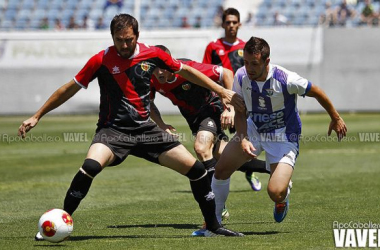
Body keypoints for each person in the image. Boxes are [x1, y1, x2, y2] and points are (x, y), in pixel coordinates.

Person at [18, 14, 245, 239]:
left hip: (146, 132)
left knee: (196, 170)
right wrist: (38, 115)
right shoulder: (101, 60)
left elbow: (186, 71)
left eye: (129, 40)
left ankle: (214, 226)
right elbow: (70, 88)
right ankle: (60, 222)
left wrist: (222, 91)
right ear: (112, 37)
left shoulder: (153, 54)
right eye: (119, 40)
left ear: (137, 36)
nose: (124, 45)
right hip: (112, 132)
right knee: (90, 167)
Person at [211, 37, 347, 224]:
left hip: (284, 135)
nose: (249, 68)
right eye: (246, 62)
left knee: (275, 192)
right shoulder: (241, 76)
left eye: (254, 63)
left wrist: (335, 117)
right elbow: (240, 111)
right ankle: (214, 220)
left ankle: (282, 198)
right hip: (254, 129)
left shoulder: (286, 79)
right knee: (221, 170)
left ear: (267, 61)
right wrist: (242, 138)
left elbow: (316, 91)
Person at [149, 45, 270, 236]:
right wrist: (162, 124)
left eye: (163, 66)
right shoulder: (152, 78)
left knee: (201, 147)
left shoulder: (186, 68)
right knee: (224, 157)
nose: (160, 72)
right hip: (194, 120)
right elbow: (148, 102)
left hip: (211, 109)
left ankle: (215, 209)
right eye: (156, 67)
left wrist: (229, 107)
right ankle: (272, 167)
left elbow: (226, 73)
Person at [203, 7, 265, 191]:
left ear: (239, 24)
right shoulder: (213, 47)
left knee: (243, 139)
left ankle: (249, 169)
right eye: (227, 22)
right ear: (222, 24)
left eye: (234, 22)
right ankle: (219, 180)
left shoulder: (246, 48)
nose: (231, 25)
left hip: (243, 103)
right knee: (218, 146)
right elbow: (205, 73)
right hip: (219, 101)